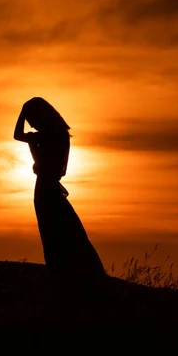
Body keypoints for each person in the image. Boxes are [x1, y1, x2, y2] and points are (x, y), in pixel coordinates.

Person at [14, 97, 107, 299]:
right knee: (59, 233)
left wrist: (23, 113)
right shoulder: (55, 136)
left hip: (46, 189)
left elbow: (19, 136)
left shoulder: (49, 137)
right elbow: (17, 135)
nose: (31, 124)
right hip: (46, 189)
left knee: (60, 233)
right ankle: (66, 279)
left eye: (32, 119)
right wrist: (23, 112)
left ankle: (71, 279)